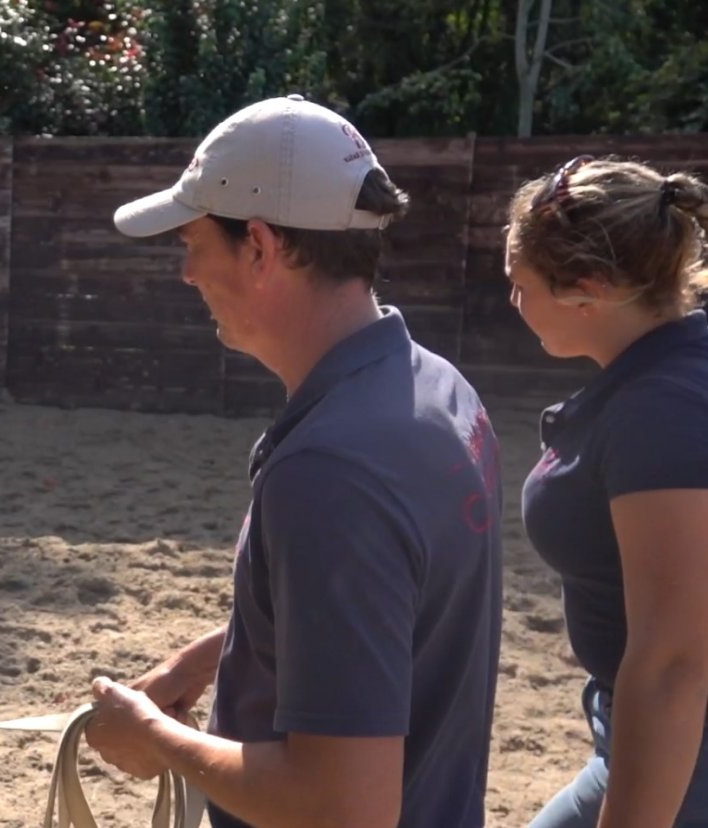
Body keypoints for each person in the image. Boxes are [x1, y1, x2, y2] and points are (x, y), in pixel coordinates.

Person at [81, 94, 505, 828]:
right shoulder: (435, 389)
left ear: (258, 246)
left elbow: (344, 808)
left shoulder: (332, 472)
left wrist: (155, 739)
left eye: (192, 242)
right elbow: (393, 612)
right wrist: (208, 657)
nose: (187, 273)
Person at [502, 155, 708, 828]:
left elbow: (674, 664)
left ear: (585, 293)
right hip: (645, 742)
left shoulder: (660, 411)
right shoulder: (674, 367)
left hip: (679, 758)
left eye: (520, 285)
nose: (514, 303)